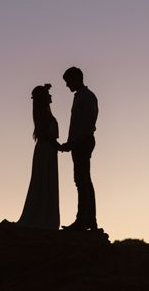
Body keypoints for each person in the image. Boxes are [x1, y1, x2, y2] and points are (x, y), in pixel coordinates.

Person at [59, 66, 98, 231]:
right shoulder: (81, 97)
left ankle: (84, 220)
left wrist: (73, 142)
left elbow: (85, 124)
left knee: (82, 181)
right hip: (79, 142)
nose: (67, 85)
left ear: (76, 79)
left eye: (68, 82)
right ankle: (87, 219)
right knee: (82, 180)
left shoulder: (87, 97)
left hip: (83, 142)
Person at [17, 83, 60, 230]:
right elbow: (46, 135)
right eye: (48, 94)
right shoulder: (43, 115)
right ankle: (42, 216)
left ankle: (45, 215)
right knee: (43, 180)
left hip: (48, 150)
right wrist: (59, 146)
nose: (51, 96)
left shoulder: (45, 113)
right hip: (46, 151)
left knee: (46, 180)